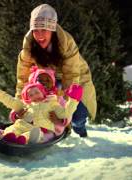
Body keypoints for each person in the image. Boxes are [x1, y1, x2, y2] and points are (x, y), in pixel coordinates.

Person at [16, 4, 97, 137]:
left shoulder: (66, 43)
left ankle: (80, 129)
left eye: (44, 30)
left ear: (52, 30)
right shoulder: (28, 49)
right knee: (42, 104)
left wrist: (64, 112)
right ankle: (45, 130)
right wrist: (19, 107)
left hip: (76, 78)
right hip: (47, 78)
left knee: (78, 116)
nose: (40, 35)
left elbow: (71, 75)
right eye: (36, 30)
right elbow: (22, 80)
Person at [0, 80, 83, 144]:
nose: (34, 95)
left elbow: (65, 113)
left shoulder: (52, 104)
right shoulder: (25, 105)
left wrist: (74, 100)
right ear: (27, 98)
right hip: (23, 125)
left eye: (36, 92)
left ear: (43, 93)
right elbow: (9, 101)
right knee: (12, 130)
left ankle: (24, 140)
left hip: (42, 130)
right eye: (30, 95)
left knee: (35, 134)